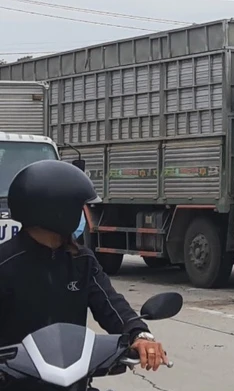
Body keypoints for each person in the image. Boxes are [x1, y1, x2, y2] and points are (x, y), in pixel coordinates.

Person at [0, 159, 168, 371]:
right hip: (13, 381)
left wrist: (139, 334)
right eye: (78, 207)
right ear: (56, 210)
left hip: (72, 377)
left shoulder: (82, 260)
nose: (82, 214)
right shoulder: (5, 263)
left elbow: (111, 304)